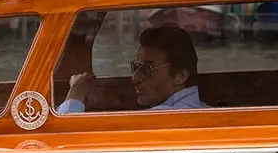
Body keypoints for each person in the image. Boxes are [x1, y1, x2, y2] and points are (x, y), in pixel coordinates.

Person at [58, 24, 209, 113]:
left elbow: (64, 136)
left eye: (146, 69)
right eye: (136, 67)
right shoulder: (197, 107)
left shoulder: (165, 116)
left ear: (180, 76)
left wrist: (74, 98)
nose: (135, 78)